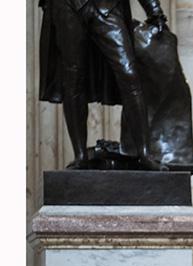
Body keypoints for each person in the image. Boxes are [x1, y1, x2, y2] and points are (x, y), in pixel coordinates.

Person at [39, 0, 167, 170]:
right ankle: (80, 155)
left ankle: (144, 154)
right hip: (67, 6)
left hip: (107, 6)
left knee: (129, 75)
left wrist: (154, 9)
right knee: (73, 79)